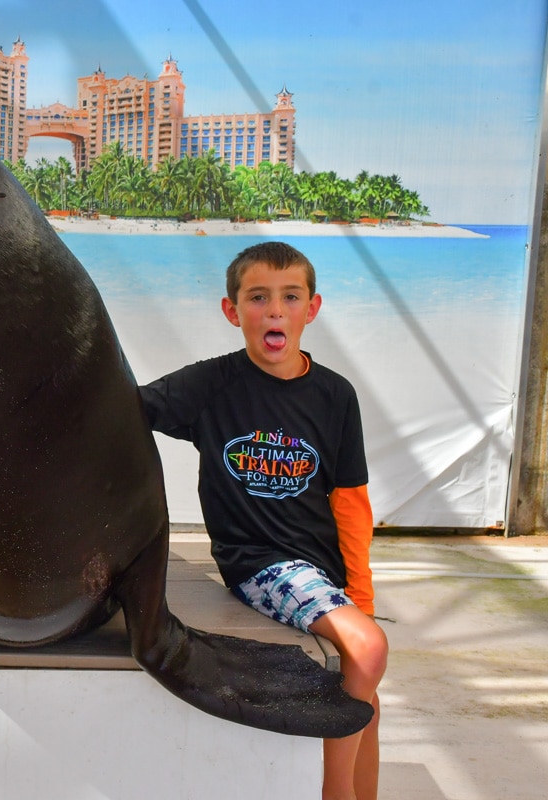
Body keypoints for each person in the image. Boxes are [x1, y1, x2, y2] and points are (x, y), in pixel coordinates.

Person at [139, 241, 388, 800]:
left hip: (321, 568)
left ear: (311, 308)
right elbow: (125, 410)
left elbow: (350, 499)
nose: (275, 310)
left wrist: (361, 597)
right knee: (369, 651)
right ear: (233, 312)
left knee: (369, 695)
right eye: (258, 297)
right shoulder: (210, 386)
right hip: (259, 564)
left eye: (289, 296)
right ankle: (334, 794)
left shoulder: (335, 395)